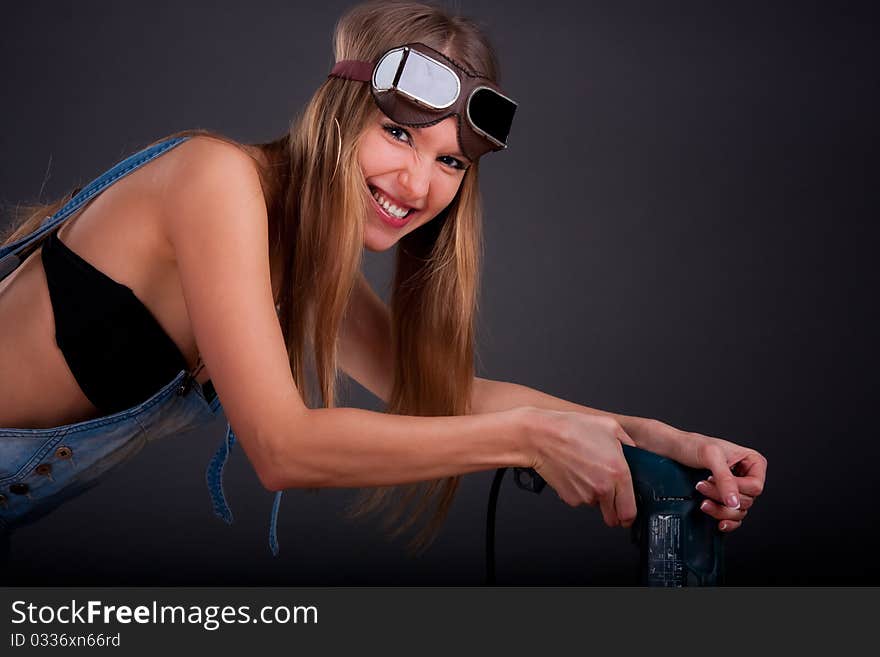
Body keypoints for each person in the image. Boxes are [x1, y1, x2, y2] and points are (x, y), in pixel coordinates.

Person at [0, 0, 766, 569]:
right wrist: (530, 441)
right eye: (398, 133)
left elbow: (443, 392)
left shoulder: (300, 255)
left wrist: (664, 439)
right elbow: (284, 447)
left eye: (450, 161)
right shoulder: (215, 179)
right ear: (340, 111)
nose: (417, 181)